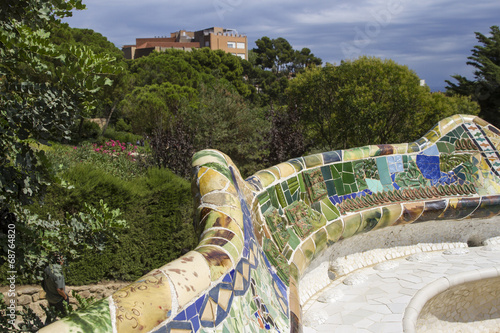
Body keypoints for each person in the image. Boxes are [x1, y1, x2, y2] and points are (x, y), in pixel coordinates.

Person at [42, 253, 69, 324]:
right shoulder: (58, 272)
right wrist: (65, 296)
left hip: (50, 297)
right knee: (66, 318)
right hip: (58, 299)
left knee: (50, 317)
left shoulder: (47, 269)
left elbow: (43, 283)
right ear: (59, 260)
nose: (63, 260)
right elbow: (59, 289)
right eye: (62, 259)